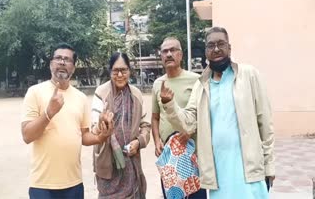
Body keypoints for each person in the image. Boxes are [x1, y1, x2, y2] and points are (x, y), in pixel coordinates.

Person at [160, 27, 275, 198]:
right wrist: (169, 104)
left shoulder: (248, 75)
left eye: (221, 44)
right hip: (217, 173)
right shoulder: (201, 85)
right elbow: (188, 123)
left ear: (229, 47)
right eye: (211, 45)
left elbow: (265, 123)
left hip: (248, 170)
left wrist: (269, 165)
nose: (216, 49)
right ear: (206, 51)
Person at [21, 43, 107, 199]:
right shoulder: (35, 92)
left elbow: (84, 136)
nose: (62, 62)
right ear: (51, 64)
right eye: (58, 58)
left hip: (73, 184)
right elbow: (27, 135)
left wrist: (101, 136)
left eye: (67, 59)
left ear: (73, 67)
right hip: (42, 185)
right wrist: (49, 113)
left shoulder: (81, 98)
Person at [151, 37, 206, 198]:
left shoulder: (196, 80)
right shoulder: (157, 84)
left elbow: (203, 115)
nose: (168, 54)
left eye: (173, 50)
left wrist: (190, 129)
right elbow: (155, 117)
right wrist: (156, 141)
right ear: (161, 56)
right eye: (164, 51)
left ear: (181, 55)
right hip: (168, 158)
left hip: (191, 156)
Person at [91, 52, 151, 199]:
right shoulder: (101, 92)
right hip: (107, 161)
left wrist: (138, 142)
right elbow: (93, 128)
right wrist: (102, 125)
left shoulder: (136, 94)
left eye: (123, 70)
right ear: (110, 71)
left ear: (129, 71)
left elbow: (145, 125)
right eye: (115, 70)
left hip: (131, 161)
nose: (119, 75)